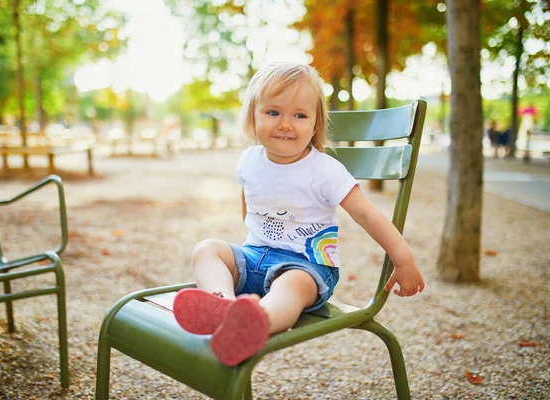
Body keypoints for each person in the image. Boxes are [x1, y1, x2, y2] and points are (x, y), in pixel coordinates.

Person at [173, 62, 425, 367]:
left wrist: (405, 260)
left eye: (300, 115)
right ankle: (224, 307)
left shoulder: (325, 171)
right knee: (207, 249)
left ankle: (256, 322)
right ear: (252, 117)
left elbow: (368, 216)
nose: (285, 124)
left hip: (307, 267)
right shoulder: (249, 160)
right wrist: (247, 251)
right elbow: (248, 201)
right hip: (255, 258)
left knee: (289, 286)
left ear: (316, 124)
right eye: (273, 112)